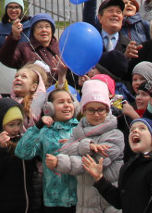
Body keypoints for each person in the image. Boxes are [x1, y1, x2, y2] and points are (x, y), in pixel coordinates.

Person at [49, 79, 125, 213]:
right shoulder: (77, 131)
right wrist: (87, 146)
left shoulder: (115, 135)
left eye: (101, 109)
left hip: (108, 205)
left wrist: (59, 162)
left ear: (107, 109)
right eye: (91, 110)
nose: (96, 114)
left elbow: (93, 164)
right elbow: (65, 150)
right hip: (85, 204)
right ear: (84, 110)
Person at [15, 86, 80, 212]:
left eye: (69, 101)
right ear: (49, 108)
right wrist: (38, 126)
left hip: (79, 198)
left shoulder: (81, 129)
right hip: (54, 200)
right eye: (61, 102)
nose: (67, 105)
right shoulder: (44, 132)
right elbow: (22, 152)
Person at [84, 117, 152, 213]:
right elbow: (119, 201)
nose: (135, 131)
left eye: (142, 128)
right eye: (132, 129)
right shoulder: (127, 167)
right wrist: (99, 178)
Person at [0, 98, 41, 213]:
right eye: (11, 125)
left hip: (33, 201)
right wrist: (2, 149)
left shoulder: (23, 139)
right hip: (7, 204)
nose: (16, 129)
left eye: (19, 124)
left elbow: (36, 159)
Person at [83, 0, 141, 85]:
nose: (115, 15)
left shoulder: (131, 47)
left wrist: (125, 59)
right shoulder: (90, 42)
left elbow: (131, 80)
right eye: (110, 11)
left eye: (119, 12)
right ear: (100, 18)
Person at [0, 13, 66, 85]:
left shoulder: (61, 49)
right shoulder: (24, 48)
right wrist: (13, 37)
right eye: (39, 27)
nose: (44, 30)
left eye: (47, 27)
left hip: (57, 90)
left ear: (52, 31)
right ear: (33, 31)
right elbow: (5, 59)